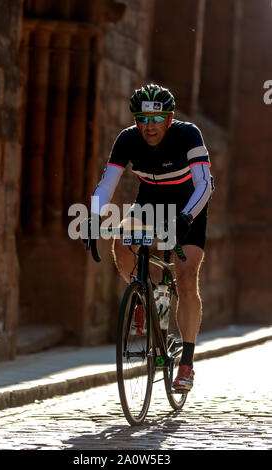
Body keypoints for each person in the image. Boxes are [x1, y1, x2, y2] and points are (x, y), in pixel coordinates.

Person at [89, 84, 214, 392]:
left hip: (188, 206)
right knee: (122, 241)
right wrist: (93, 218)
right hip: (148, 204)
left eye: (156, 120)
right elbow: (108, 183)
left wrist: (186, 217)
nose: (149, 126)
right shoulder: (127, 139)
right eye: (142, 119)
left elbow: (205, 185)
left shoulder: (188, 134)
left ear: (169, 119)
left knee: (186, 279)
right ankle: (143, 297)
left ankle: (186, 364)